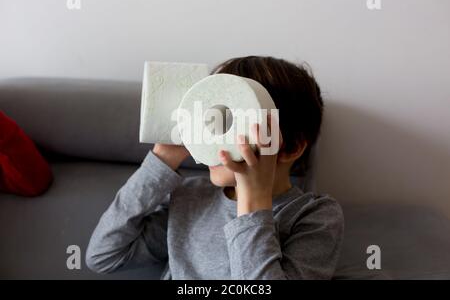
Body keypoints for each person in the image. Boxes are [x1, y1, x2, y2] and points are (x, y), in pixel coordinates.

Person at [86, 56, 344, 279]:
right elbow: (103, 256)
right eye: (214, 119)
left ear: (291, 148)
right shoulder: (191, 197)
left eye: (232, 124)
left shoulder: (315, 215)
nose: (213, 136)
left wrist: (253, 201)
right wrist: (163, 159)